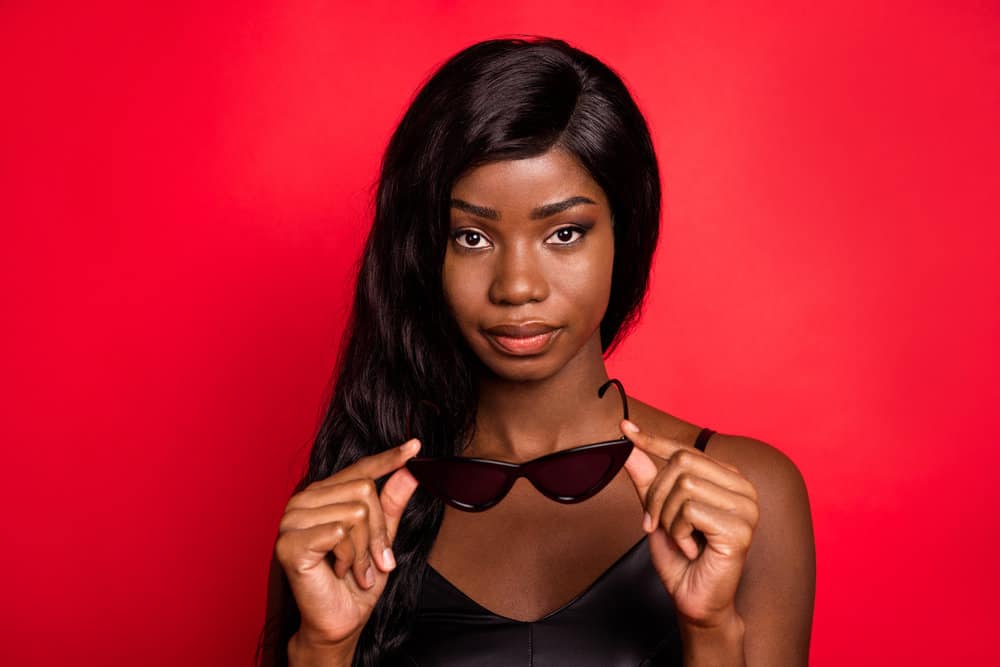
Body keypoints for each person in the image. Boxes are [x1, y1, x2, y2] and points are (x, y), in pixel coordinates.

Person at [255, 36, 815, 667]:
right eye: (471, 237)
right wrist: (321, 649)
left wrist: (710, 629)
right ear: (423, 254)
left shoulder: (748, 494)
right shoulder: (348, 511)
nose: (517, 286)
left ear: (625, 236)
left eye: (564, 233)